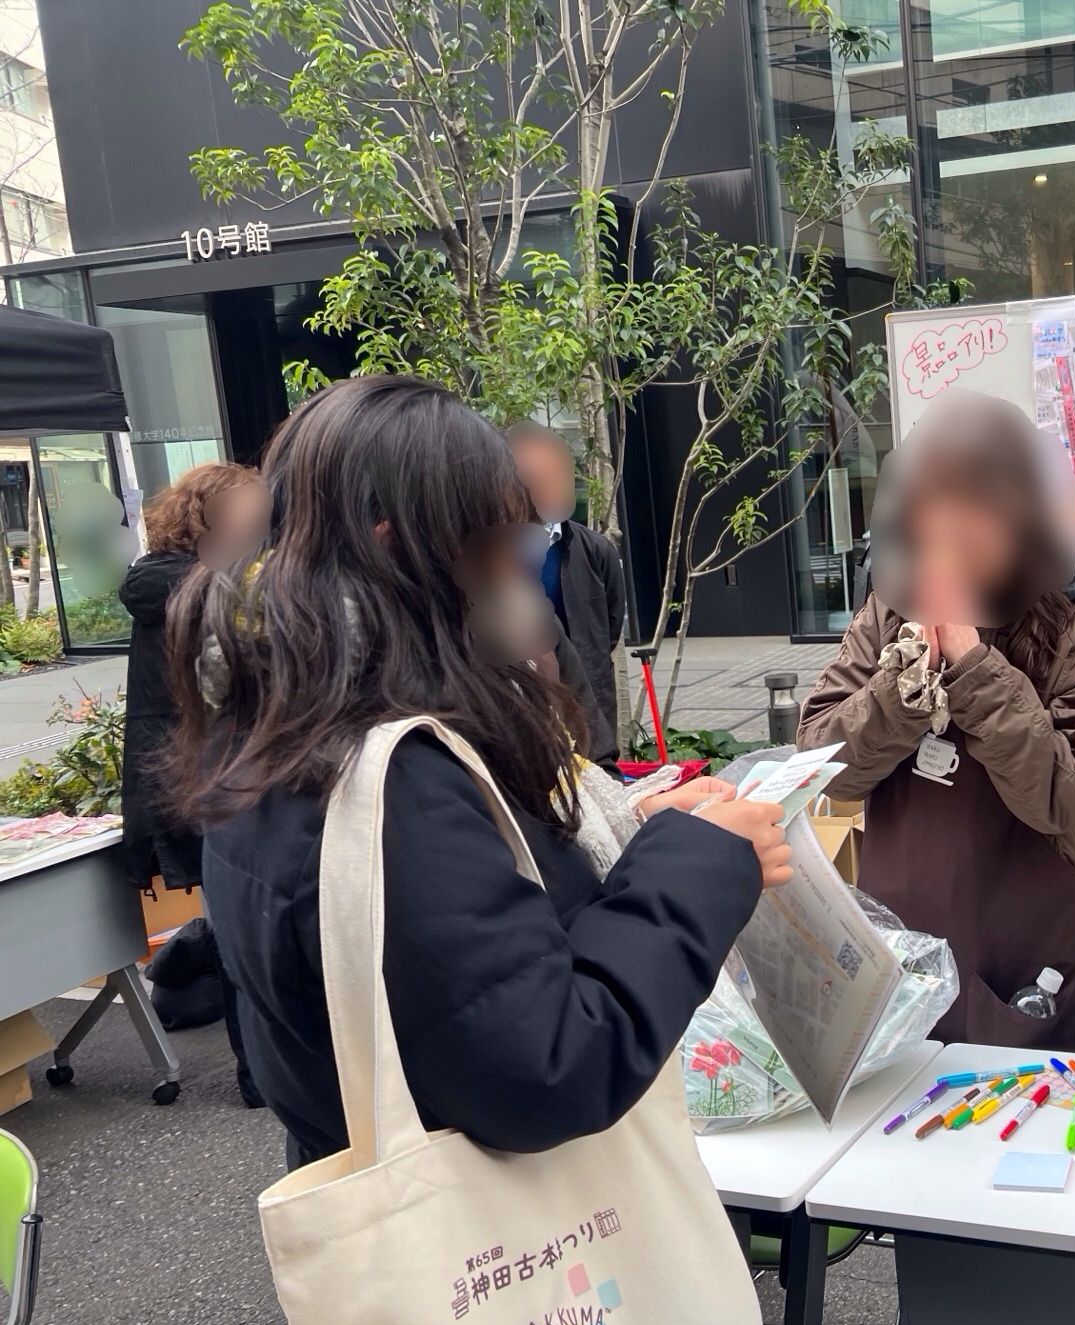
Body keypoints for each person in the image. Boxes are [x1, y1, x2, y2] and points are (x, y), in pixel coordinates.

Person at [166, 375, 792, 1170]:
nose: (524, 579)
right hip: (500, 1226)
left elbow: (474, 915)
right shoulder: (391, 775)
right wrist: (697, 865)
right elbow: (548, 1063)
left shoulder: (275, 714)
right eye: (508, 546)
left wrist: (638, 827)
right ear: (402, 550)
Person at [799, 391, 1075, 1052]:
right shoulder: (887, 614)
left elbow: (1067, 796)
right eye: (935, 505)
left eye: (976, 508)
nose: (951, 531)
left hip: (1027, 974)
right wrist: (901, 689)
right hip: (901, 968)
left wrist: (971, 665)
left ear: (1022, 517)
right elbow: (822, 766)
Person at [119, 460, 269, 1102]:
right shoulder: (196, 587)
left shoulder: (189, 582)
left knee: (242, 925)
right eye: (252, 512)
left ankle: (263, 1071)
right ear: (207, 518)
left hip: (216, 780)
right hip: (213, 783)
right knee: (242, 932)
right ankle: (258, 1074)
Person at [508, 422, 627, 756]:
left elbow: (610, 627)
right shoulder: (494, 554)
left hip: (589, 702)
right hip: (528, 705)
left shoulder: (595, 550)